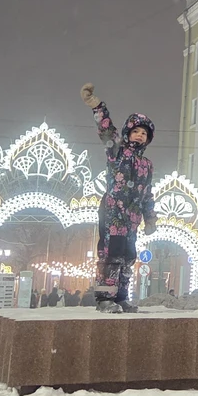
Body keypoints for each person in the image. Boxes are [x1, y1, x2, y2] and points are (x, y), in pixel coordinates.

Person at [80, 84, 157, 311]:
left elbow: (147, 194)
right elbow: (106, 130)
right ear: (127, 133)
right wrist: (97, 106)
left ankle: (121, 296)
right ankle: (105, 298)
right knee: (111, 253)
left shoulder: (147, 165)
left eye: (144, 133)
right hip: (113, 210)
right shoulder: (117, 151)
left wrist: (150, 217)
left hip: (132, 216)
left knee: (128, 256)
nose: (140, 136)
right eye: (136, 131)